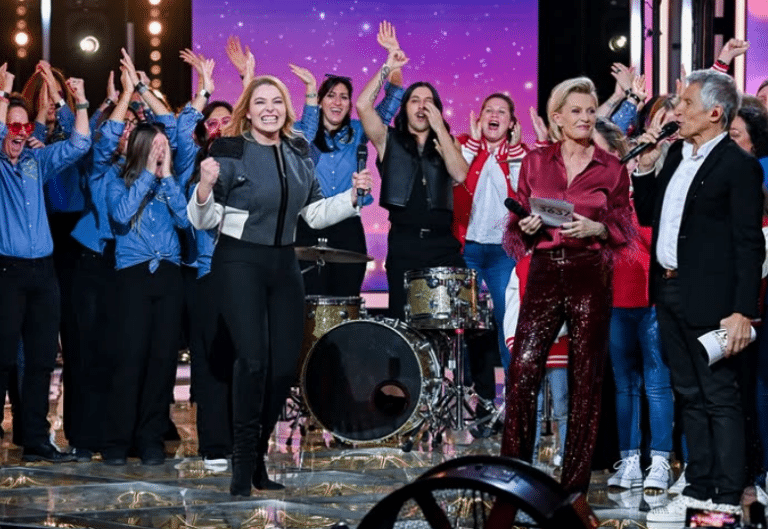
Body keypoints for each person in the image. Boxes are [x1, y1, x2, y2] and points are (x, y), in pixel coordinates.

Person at [187, 75, 372, 496]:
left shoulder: (298, 150)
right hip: (239, 261)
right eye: (260, 102)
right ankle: (241, 462)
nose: (269, 109)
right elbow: (204, 220)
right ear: (248, 111)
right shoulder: (229, 150)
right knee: (252, 361)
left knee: (284, 367)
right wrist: (204, 187)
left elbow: (313, 214)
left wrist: (351, 197)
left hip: (284, 263)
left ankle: (255, 458)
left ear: (286, 109)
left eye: (276, 101)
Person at [631, 70, 765, 523]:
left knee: (719, 396)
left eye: (686, 103)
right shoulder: (675, 155)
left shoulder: (738, 165)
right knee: (687, 392)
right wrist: (646, 167)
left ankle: (725, 497)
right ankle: (698, 489)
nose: (677, 110)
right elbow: (648, 213)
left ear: (714, 112)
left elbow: (749, 244)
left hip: (713, 300)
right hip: (668, 289)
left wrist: (743, 310)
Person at [499, 76, 633, 494]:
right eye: (576, 111)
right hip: (543, 269)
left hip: (589, 272)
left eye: (590, 110)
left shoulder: (611, 168)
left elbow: (624, 226)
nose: (585, 118)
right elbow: (517, 218)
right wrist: (525, 224)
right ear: (557, 117)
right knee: (523, 369)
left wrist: (599, 228)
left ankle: (574, 488)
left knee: (586, 378)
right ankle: (513, 480)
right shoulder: (537, 161)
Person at [0, 64, 91, 462]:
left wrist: (80, 102)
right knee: (3, 358)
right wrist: (4, 92)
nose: (20, 133)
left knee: (40, 360)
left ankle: (35, 439)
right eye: (12, 126)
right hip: (7, 271)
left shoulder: (37, 161)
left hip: (44, 272)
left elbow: (80, 144)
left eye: (24, 126)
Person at [592, 118, 676, 491]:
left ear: (619, 152)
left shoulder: (643, 185)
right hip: (615, 299)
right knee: (624, 384)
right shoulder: (592, 194)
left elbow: (655, 237)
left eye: (601, 151)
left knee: (657, 383)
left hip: (650, 297)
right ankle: (628, 461)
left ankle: (660, 460)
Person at [355, 42, 468, 320]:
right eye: (415, 100)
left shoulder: (447, 143)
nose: (422, 106)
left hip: (443, 245)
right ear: (405, 108)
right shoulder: (388, 140)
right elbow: (362, 105)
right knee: (403, 324)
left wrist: (440, 128)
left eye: (428, 101)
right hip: (404, 245)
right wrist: (387, 68)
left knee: (448, 324)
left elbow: (460, 175)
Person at [290, 21, 404, 296]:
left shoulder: (357, 132)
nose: (338, 102)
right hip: (308, 223)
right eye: (331, 96)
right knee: (307, 302)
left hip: (347, 225)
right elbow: (305, 136)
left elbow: (391, 101)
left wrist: (394, 59)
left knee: (346, 300)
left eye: (344, 97)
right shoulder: (299, 130)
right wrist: (310, 90)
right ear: (320, 101)